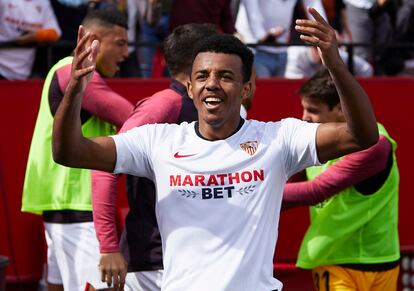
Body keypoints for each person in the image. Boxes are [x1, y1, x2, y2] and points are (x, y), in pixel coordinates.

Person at [52, 7, 379, 290]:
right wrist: (76, 92)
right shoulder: (158, 141)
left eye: (225, 76)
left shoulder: (279, 138)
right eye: (203, 76)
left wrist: (335, 65)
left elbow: (361, 136)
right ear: (190, 87)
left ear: (246, 87)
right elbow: (70, 152)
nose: (212, 83)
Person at [92, 23, 219, 291]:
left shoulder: (209, 108)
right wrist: (108, 246)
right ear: (201, 59)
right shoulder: (164, 105)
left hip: (199, 259)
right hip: (156, 264)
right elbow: (104, 167)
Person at [21, 8, 134, 291]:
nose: (126, 53)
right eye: (120, 43)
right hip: (79, 210)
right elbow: (134, 118)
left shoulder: (60, 69)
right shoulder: (75, 71)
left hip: (63, 207)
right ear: (93, 41)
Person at [282, 68, 400, 291]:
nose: (304, 117)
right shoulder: (312, 141)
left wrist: (248, 191)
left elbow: (316, 190)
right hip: (337, 262)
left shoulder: (375, 144)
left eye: (312, 110)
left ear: (340, 108)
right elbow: (284, 185)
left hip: (379, 259)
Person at [235, 0, 327, 77]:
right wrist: (262, 37)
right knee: (262, 94)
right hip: (256, 50)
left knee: (278, 93)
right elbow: (252, 14)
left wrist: (324, 32)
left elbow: (314, 6)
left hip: (282, 50)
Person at [0, 0, 61, 80]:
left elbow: (55, 33)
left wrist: (37, 35)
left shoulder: (43, 3)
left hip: (23, 74)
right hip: (1, 67)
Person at [285, 45, 373, 78]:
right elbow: (293, 84)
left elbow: (367, 69)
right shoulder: (295, 54)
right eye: (316, 46)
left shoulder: (339, 56)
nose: (321, 51)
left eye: (326, 47)